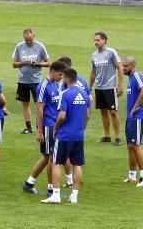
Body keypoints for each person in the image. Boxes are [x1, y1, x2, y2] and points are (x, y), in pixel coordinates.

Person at [40, 68, 91, 204]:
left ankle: (55, 195)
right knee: (77, 164)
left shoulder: (65, 94)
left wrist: (56, 128)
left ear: (67, 79)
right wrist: (81, 129)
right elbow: (87, 115)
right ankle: (74, 196)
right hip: (79, 135)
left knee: (56, 163)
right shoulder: (84, 94)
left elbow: (62, 115)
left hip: (64, 135)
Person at [22, 60, 66, 195]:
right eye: (59, 75)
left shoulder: (55, 85)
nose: (61, 77)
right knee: (51, 157)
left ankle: (29, 183)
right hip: (47, 126)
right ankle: (51, 189)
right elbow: (39, 109)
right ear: (52, 72)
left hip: (54, 125)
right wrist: (40, 131)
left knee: (48, 157)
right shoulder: (43, 86)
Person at [12, 28, 50, 134]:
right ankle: (28, 127)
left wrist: (37, 64)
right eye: (26, 40)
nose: (28, 42)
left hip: (36, 81)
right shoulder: (19, 46)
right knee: (25, 104)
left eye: (30, 39)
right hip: (23, 80)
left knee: (39, 104)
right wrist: (25, 62)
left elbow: (48, 63)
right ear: (24, 37)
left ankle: (39, 126)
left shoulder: (40, 46)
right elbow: (14, 64)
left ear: (34, 36)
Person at [89, 32, 123, 145]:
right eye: (95, 40)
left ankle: (118, 137)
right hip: (99, 87)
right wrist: (89, 86)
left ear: (104, 40)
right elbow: (93, 72)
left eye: (98, 40)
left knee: (113, 112)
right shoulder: (94, 55)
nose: (96, 42)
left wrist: (120, 85)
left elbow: (119, 67)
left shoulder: (111, 52)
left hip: (110, 87)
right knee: (103, 112)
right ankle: (107, 135)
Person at [121, 57, 143, 187]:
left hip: (138, 116)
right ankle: (132, 176)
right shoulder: (130, 78)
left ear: (133, 66)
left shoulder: (137, 75)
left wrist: (135, 108)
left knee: (136, 145)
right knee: (130, 146)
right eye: (122, 66)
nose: (123, 68)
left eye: (126, 66)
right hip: (131, 117)